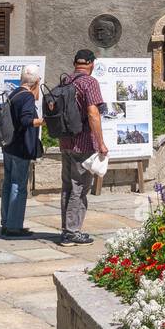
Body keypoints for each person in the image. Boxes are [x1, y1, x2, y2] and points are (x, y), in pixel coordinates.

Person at [59, 49, 108, 246]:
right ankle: (72, 232)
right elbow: (93, 114)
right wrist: (101, 143)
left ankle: (66, 230)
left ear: (74, 63)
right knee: (79, 188)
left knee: (67, 187)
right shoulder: (90, 82)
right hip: (83, 144)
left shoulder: (66, 81)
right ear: (91, 64)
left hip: (65, 142)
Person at [0, 64, 44, 238]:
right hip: (20, 148)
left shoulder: (14, 93)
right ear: (36, 81)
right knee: (19, 186)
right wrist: (41, 121)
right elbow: (26, 120)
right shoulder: (26, 97)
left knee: (8, 184)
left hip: (9, 146)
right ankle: (14, 227)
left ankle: (6, 223)